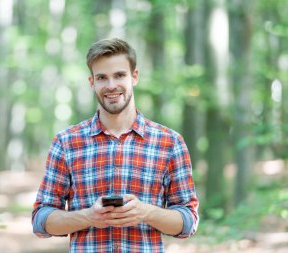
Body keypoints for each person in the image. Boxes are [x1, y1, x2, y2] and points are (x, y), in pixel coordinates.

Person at [32, 38, 199, 252]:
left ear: (134, 77)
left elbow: (188, 222)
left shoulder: (170, 142)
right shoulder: (66, 143)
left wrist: (146, 212)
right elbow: (40, 221)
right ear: (92, 82)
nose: (111, 86)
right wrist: (88, 216)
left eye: (119, 75)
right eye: (102, 77)